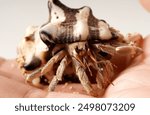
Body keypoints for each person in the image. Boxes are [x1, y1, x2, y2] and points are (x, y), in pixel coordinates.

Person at [0, 0, 150, 98]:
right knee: (64, 64)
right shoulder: (62, 50)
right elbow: (53, 64)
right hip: (63, 55)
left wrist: (136, 51)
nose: (83, 51)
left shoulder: (91, 44)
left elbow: (111, 50)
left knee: (106, 52)